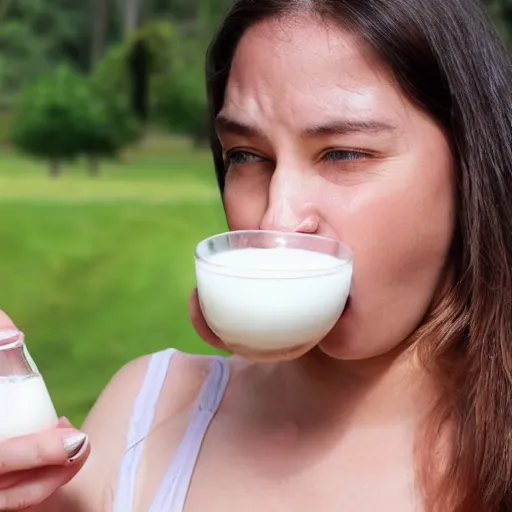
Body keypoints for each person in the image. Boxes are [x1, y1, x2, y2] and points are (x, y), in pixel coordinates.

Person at [1, 0, 511, 510]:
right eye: (246, 156)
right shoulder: (150, 409)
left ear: (471, 164)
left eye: (345, 153)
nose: (277, 221)